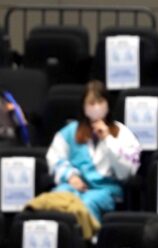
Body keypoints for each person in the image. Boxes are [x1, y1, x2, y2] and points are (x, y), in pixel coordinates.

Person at [46, 80, 141, 222]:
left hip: (106, 190)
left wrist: (108, 140)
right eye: (91, 103)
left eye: (100, 102)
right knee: (56, 199)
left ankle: (89, 241)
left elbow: (127, 171)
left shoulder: (122, 133)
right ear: (84, 107)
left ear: (108, 104)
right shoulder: (70, 132)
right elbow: (54, 157)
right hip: (74, 186)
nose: (96, 107)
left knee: (87, 204)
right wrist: (70, 176)